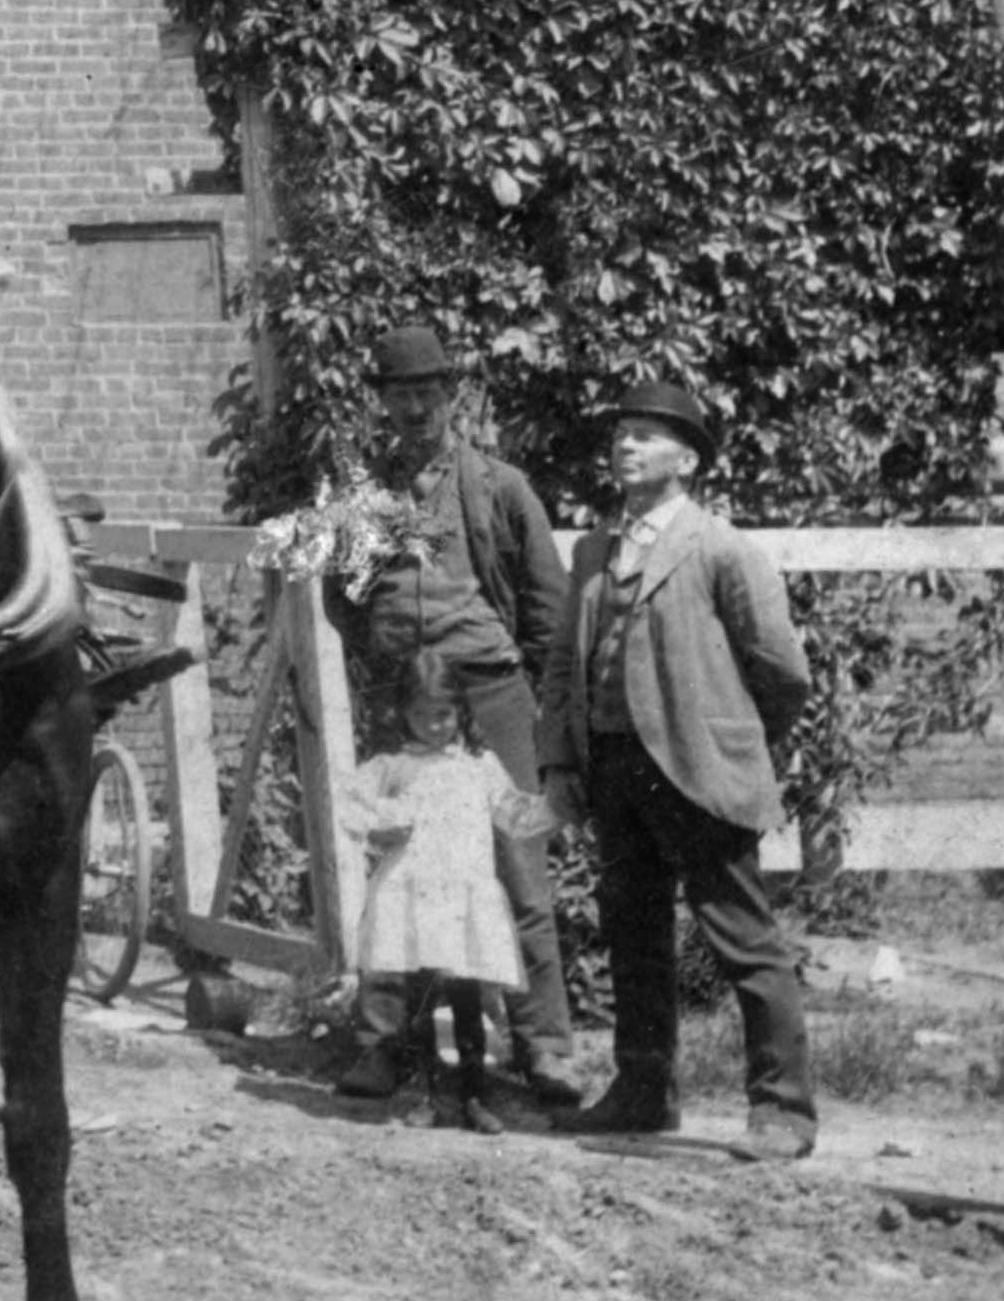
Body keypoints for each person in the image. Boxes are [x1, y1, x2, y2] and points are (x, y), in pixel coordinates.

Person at [550, 375, 820, 1162]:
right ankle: (643, 1092)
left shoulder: (718, 548)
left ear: (689, 461)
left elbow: (782, 669)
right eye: (620, 434)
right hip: (616, 770)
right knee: (634, 935)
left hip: (698, 772)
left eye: (646, 435)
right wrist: (564, 760)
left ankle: (783, 1111)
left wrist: (727, 740)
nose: (626, 446)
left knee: (743, 937)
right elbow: (565, 668)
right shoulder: (595, 552)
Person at [335, 321, 582, 1107]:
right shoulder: (364, 500)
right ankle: (384, 1043)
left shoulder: (499, 487)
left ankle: (545, 1049)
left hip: (491, 691)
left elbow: (547, 607)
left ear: (451, 394)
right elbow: (343, 598)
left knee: (519, 866)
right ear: (382, 402)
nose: (415, 409)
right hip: (409, 695)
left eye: (427, 392)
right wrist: (390, 667)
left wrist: (531, 707)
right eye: (399, 394)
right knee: (398, 867)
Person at [338, 648, 532, 1132]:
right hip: (415, 903)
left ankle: (474, 1096)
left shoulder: (479, 765)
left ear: (461, 710)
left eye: (443, 714)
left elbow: (513, 813)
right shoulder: (394, 766)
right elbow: (349, 806)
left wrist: (556, 809)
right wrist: (381, 827)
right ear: (403, 714)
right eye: (422, 715)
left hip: (463, 903)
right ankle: (426, 1094)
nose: (434, 726)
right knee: (421, 1001)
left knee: (467, 999)